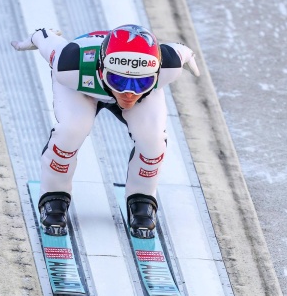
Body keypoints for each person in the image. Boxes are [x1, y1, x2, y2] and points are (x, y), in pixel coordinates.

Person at [11, 24, 199, 239]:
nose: (128, 93)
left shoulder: (169, 66)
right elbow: (46, 41)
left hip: (90, 82)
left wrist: (41, 35)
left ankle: (143, 196)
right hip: (81, 86)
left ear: (157, 72)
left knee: (153, 139)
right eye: (118, 80)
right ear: (100, 68)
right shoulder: (70, 64)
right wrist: (40, 36)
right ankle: (54, 193)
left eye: (142, 81)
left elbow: (180, 51)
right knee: (72, 129)